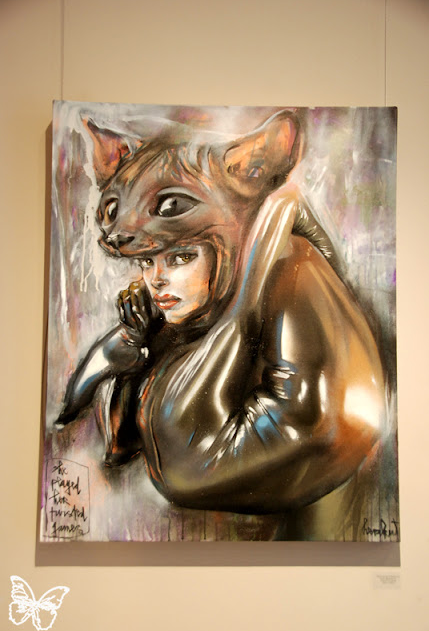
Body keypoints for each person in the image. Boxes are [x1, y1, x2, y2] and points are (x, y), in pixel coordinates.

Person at [55, 109, 386, 514]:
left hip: (211, 452)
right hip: (196, 453)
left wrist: (272, 237)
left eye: (180, 257)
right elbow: (111, 436)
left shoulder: (285, 264)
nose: (155, 281)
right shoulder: (209, 300)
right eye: (146, 263)